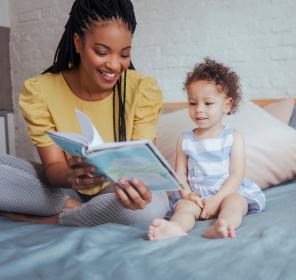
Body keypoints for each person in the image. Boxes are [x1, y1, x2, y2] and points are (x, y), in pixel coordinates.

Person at [0, 0, 170, 226]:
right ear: (78, 42)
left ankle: (59, 218)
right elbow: (52, 170)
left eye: (124, 54)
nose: (114, 65)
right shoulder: (40, 91)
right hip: (65, 190)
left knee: (154, 205)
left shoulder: (141, 90)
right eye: (101, 52)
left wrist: (138, 192)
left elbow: (141, 172)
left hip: (115, 192)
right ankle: (78, 209)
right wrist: (71, 176)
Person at [147, 58, 266, 240]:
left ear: (227, 105)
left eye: (208, 103)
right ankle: (174, 228)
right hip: (197, 196)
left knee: (235, 204)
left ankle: (223, 226)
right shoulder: (185, 140)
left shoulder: (233, 138)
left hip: (226, 193)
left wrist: (217, 200)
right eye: (193, 103)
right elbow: (180, 175)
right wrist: (187, 193)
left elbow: (236, 176)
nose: (199, 110)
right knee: (183, 208)